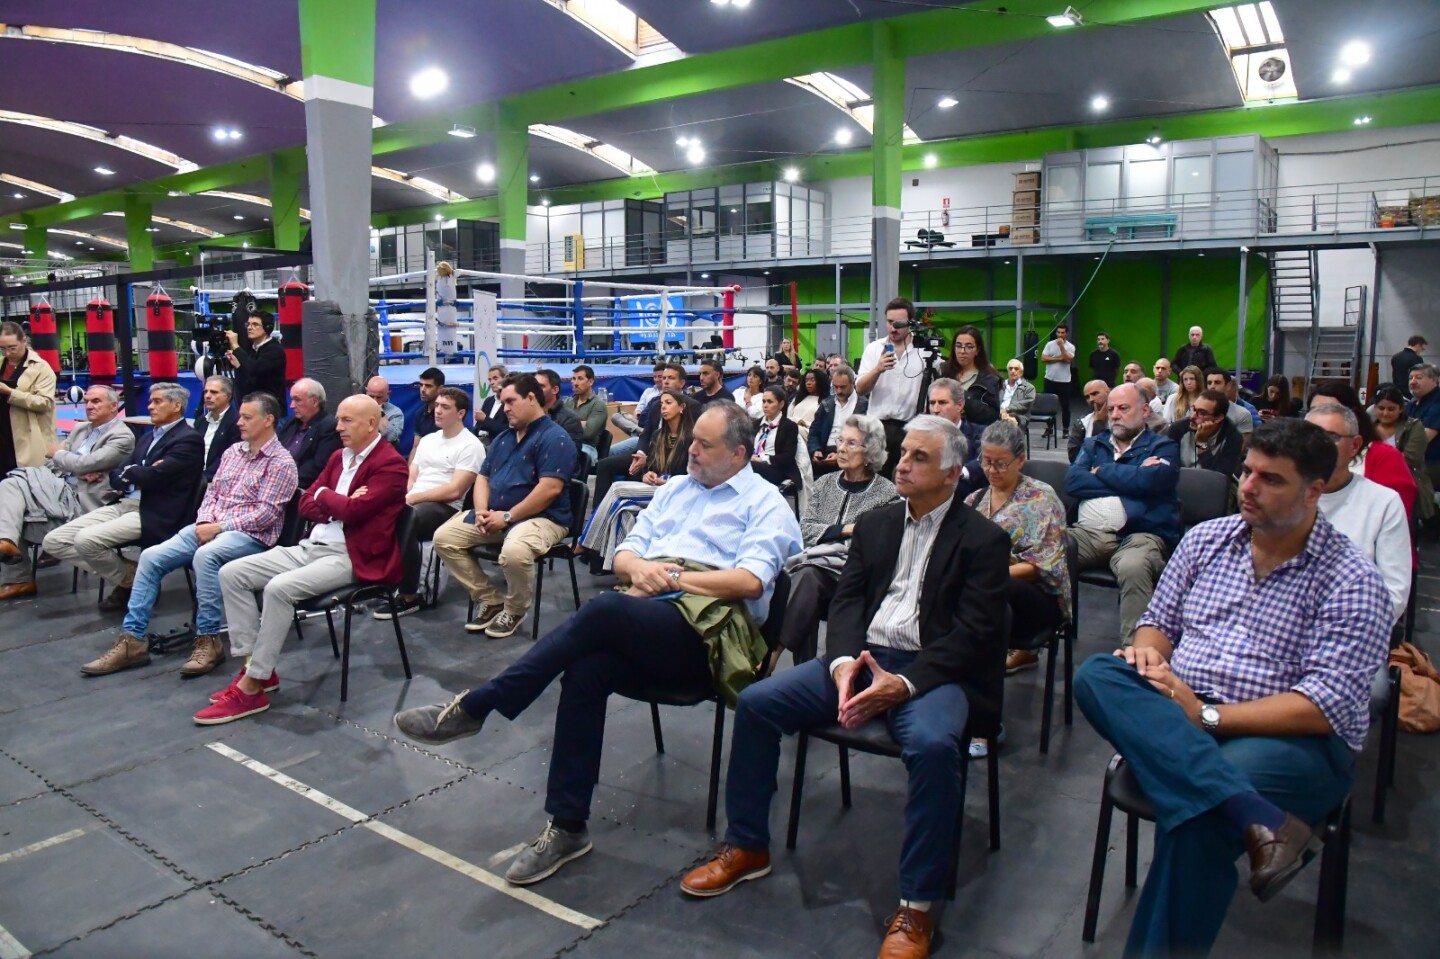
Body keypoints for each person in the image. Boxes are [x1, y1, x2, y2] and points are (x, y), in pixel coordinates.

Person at [394, 402, 801, 888]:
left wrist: (670, 576)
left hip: (709, 641)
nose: (690, 450)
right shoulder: (675, 490)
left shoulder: (765, 503)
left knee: (604, 611)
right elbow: (626, 552)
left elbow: (751, 582)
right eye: (692, 440)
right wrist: (639, 570)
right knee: (586, 671)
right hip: (651, 617)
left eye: (703, 445)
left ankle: (479, 705)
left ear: (738, 453)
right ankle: (567, 826)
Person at [679, 415, 1010, 959]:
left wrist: (901, 684)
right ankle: (747, 846)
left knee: (931, 746)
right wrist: (843, 667)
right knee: (758, 703)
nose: (902, 463)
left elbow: (973, 637)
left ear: (953, 474)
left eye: (919, 458)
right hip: (862, 657)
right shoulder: (879, 524)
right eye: (903, 453)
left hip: (933, 673)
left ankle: (918, 908)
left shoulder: (984, 541)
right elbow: (849, 604)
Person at [1072, 418, 1392, 959]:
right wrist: (1149, 651)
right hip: (1184, 710)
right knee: (1100, 674)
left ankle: (1236, 807)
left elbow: (1322, 706)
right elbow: (1158, 622)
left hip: (1292, 742)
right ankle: (1260, 819)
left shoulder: (1351, 579)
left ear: (1314, 491)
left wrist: (1207, 716)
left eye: (1271, 479)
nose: (1247, 486)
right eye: (1246, 471)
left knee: (1197, 818)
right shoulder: (1207, 540)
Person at [205, 395, 408, 725]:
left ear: (371, 424)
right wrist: (336, 501)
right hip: (312, 546)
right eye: (339, 419)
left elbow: (347, 508)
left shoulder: (391, 465)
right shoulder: (339, 458)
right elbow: (304, 504)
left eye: (347, 421)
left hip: (351, 557)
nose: (337, 427)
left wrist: (327, 497)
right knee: (232, 573)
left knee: (278, 589)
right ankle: (254, 667)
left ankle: (253, 685)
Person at [80, 392, 299, 679]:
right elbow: (212, 493)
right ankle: (132, 640)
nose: (240, 423)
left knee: (206, 556)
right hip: (210, 526)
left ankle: (208, 639)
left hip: (250, 536)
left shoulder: (281, 463)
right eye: (241, 416)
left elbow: (265, 516)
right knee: (151, 556)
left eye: (247, 418)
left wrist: (218, 528)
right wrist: (206, 519)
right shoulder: (233, 452)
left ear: (268, 420)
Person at [433, 374, 577, 640]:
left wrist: (508, 517)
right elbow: (483, 478)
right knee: (444, 538)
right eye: (502, 402)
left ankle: (514, 608)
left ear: (532, 398)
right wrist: (482, 511)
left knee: (514, 551)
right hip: (498, 514)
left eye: (511, 401)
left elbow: (550, 490)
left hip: (543, 518)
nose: (505, 408)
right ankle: (489, 598)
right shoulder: (503, 438)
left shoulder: (555, 438)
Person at [43, 383, 204, 611]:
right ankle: (134, 577)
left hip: (154, 511)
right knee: (53, 541)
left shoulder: (188, 439)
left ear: (177, 406)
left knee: (85, 540)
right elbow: (118, 475)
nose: (150, 406)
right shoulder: (148, 438)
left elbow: (154, 477)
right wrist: (138, 471)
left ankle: (135, 581)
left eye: (157, 402)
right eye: (150, 401)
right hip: (123, 503)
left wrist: (136, 472)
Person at [1067, 383, 1181, 645]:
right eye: (1111, 409)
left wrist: (1103, 471)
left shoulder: (1163, 447)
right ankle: (1033, 640)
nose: (1114, 414)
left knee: (1133, 567)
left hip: (1140, 534)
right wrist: (1136, 475)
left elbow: (1154, 481)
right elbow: (1073, 482)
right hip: (1088, 534)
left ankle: (1136, 653)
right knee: (1045, 552)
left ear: (1144, 411)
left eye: (1123, 408)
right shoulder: (1093, 444)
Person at [779, 415, 897, 660]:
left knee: (806, 577)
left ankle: (773, 653)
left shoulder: (887, 493)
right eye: (840, 440)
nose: (841, 448)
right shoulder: (824, 484)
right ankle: (802, 668)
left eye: (851, 443)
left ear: (870, 451)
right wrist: (847, 529)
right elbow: (805, 530)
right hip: (817, 569)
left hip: (856, 575)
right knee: (807, 577)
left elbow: (874, 544)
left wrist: (832, 533)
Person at [0, 385, 134, 601]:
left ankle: (18, 575)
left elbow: (76, 460)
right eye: (87, 401)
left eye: (96, 401)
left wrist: (70, 460)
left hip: (87, 502)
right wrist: (77, 467)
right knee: (12, 490)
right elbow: (52, 461)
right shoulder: (81, 430)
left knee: (16, 494)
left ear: (113, 406)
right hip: (61, 489)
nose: (89, 406)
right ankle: (7, 546)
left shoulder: (121, 437)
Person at [966, 419, 1069, 685]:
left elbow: (1042, 567)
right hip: (979, 591)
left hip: (1034, 598)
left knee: (990, 585)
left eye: (1001, 464)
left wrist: (988, 573)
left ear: (1020, 460)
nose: (991, 470)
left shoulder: (1041, 499)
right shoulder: (974, 499)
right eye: (986, 461)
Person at [375, 387, 484, 620]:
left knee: (408, 518)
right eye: (437, 406)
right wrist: (406, 493)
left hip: (445, 507)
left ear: (461, 413)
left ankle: (409, 596)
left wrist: (414, 497)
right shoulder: (428, 440)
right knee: (379, 508)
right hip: (415, 500)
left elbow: (455, 490)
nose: (438, 411)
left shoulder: (471, 445)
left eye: (446, 407)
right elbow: (412, 474)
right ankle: (378, 578)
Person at [1306, 404, 1410, 622]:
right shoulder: (1282, 494)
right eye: (1310, 435)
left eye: (1331, 436)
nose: (1317, 446)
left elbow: (1393, 594)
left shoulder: (1383, 502)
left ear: (1355, 445)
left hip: (1352, 629)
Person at [579, 388, 694, 572]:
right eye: (662, 403)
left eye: (669, 403)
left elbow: (694, 477)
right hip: (655, 489)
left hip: (676, 491)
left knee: (617, 489)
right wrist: (647, 475)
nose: (663, 407)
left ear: (682, 407)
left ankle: (585, 541)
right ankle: (622, 573)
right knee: (623, 511)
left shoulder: (692, 439)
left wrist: (667, 481)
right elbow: (651, 468)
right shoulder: (658, 436)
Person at [1308, 380, 1417, 526]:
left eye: (1330, 411)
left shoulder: (1384, 456)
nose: (1320, 419)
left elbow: (1396, 517)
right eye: (1314, 410)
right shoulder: (1296, 455)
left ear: (1352, 415)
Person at [595, 364, 693, 504]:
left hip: (673, 478)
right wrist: (644, 462)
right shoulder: (655, 407)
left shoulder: (693, 411)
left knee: (620, 491)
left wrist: (665, 479)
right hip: (650, 453)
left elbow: (690, 472)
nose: (665, 381)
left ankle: (603, 518)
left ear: (682, 383)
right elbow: (646, 433)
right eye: (663, 378)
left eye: (670, 378)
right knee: (608, 464)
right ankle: (598, 514)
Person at [857, 297, 931, 477]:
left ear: (910, 323)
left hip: (910, 427)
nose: (893, 328)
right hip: (877, 427)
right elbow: (860, 389)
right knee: (872, 480)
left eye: (899, 323)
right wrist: (878, 369)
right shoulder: (874, 349)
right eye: (890, 322)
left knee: (904, 480)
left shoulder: (924, 351)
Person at [0, 321, 58, 475]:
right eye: (2, 349)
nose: (7, 353)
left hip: (26, 437)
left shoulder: (41, 368)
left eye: (12, 348)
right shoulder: (2, 364)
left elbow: (44, 403)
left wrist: (10, 393)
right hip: (3, 434)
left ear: (24, 341)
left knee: (27, 482)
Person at [1371, 385, 1434, 524]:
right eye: (1381, 408)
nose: (1385, 413)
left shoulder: (1414, 426)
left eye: (1391, 409)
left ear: (1401, 409)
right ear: (1375, 408)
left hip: (1407, 482)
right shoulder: (1368, 428)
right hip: (1372, 484)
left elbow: (1411, 458)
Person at [278, 378, 342, 489]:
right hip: (278, 480)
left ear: (315, 402)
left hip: (302, 487)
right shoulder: (291, 423)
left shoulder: (329, 426)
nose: (292, 405)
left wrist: (285, 484)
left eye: (297, 400)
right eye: (292, 399)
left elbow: (318, 467)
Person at [927, 378, 985, 499]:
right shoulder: (920, 436)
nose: (935, 410)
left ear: (959, 405)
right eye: (932, 403)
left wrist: (958, 473)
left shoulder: (979, 434)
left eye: (942, 402)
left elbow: (985, 460)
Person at [1166, 389, 1243, 478]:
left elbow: (1220, 478)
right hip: (1179, 482)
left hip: (1212, 488)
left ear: (1218, 418)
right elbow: (1168, 465)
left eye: (1201, 413)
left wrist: (1201, 444)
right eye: (1193, 409)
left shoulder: (1233, 437)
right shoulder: (1178, 429)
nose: (1192, 416)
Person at [808, 365, 867, 479]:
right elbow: (814, 431)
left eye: (843, 387)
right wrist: (816, 450)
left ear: (853, 383)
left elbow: (865, 439)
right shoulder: (826, 404)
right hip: (824, 451)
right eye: (836, 387)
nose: (839, 391)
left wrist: (840, 454)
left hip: (850, 452)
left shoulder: (863, 406)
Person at [940, 325, 1002, 425]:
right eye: (958, 346)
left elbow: (991, 415)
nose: (962, 351)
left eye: (969, 347)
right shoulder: (944, 372)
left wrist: (964, 396)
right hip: (945, 430)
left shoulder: (989, 378)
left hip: (974, 434)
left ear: (977, 350)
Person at [225, 308, 285, 406]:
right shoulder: (254, 349)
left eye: (255, 325)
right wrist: (239, 365)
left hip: (270, 409)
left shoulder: (274, 349)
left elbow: (255, 368)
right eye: (248, 324)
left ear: (267, 327)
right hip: (254, 405)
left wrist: (236, 346)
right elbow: (251, 377)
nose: (249, 327)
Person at [751, 387, 800, 489]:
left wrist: (763, 459)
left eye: (770, 402)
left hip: (777, 468)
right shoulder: (756, 424)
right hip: (754, 463)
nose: (765, 405)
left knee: (748, 467)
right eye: (763, 401)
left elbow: (788, 456)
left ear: (781, 404)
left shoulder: (789, 426)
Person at [1404, 362, 1440, 498]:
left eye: (1419, 377)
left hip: (1433, 463)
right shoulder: (1413, 403)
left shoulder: (1438, 404)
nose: (1413, 381)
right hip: (1416, 460)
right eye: (1410, 378)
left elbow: (1422, 439)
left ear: (1434, 380)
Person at [194, 376, 240, 479]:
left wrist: (202, 479)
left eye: (214, 392)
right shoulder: (200, 422)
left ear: (227, 396)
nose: (207, 396)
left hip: (217, 478)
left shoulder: (237, 422)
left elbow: (229, 458)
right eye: (206, 392)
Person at [534, 368, 586, 449]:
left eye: (541, 386)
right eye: (534, 386)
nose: (535, 391)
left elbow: (570, 455)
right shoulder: (529, 415)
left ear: (555, 390)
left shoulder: (570, 421)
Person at [1039, 324, 1076, 433]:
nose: (1060, 334)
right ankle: (1049, 428)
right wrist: (1059, 358)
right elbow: (1043, 358)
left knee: (1065, 406)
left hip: (1064, 381)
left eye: (1062, 332)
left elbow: (1068, 359)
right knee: (1048, 405)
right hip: (1050, 379)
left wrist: (1061, 347)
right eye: (1058, 332)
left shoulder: (1070, 346)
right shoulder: (1049, 344)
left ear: (1066, 333)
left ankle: (1065, 429)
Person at [568, 365, 608, 456]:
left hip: (587, 448)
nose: (575, 383)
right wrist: (582, 423)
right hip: (567, 443)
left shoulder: (598, 405)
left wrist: (567, 422)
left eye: (580, 379)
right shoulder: (567, 401)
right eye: (573, 379)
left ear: (590, 382)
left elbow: (588, 433)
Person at [1067, 380, 1110, 464]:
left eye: (1095, 394)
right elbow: (1074, 457)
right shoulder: (1083, 423)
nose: (1091, 399)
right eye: (1087, 397)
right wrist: (1098, 424)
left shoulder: (1122, 419)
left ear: (1108, 392)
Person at [1204, 369, 1254, 438]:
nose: (1212, 386)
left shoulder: (1242, 414)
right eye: (1209, 383)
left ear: (1228, 386)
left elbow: (1242, 446)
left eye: (1217, 382)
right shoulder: (1194, 411)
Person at [364, 375, 405, 446]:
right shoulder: (356, 407)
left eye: (379, 397)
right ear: (366, 392)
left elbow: (391, 437)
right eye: (371, 396)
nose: (374, 401)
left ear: (388, 394)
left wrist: (380, 413)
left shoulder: (395, 412)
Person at [998, 358, 1036, 430]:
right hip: (998, 413)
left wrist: (1008, 409)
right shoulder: (999, 385)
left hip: (1019, 415)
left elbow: (1027, 403)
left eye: (1016, 369)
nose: (1013, 371)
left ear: (1021, 372)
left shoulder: (1029, 388)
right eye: (1010, 368)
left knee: (1011, 422)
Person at [410, 367, 446, 442]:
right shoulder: (419, 413)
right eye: (421, 385)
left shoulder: (448, 414)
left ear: (440, 389)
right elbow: (416, 447)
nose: (422, 390)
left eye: (428, 386)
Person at [475, 365, 509, 442]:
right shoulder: (488, 401)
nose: (491, 382)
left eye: (495, 378)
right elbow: (478, 426)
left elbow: (507, 430)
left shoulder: (510, 403)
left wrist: (485, 419)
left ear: (505, 378)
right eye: (490, 380)